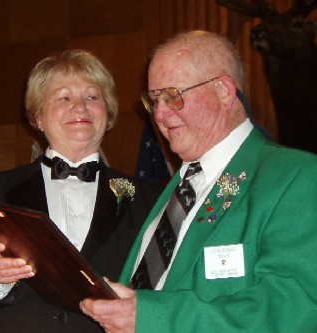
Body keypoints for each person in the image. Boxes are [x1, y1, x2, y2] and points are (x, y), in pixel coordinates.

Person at [80, 30, 317, 332]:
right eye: (153, 100)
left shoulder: (296, 177)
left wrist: (154, 317)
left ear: (224, 91)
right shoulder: (168, 195)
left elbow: (297, 309)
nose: (160, 114)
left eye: (172, 96)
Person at [0, 49, 161, 332]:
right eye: (64, 97)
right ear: (38, 117)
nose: (80, 107)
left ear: (107, 114)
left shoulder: (151, 200)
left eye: (92, 97)